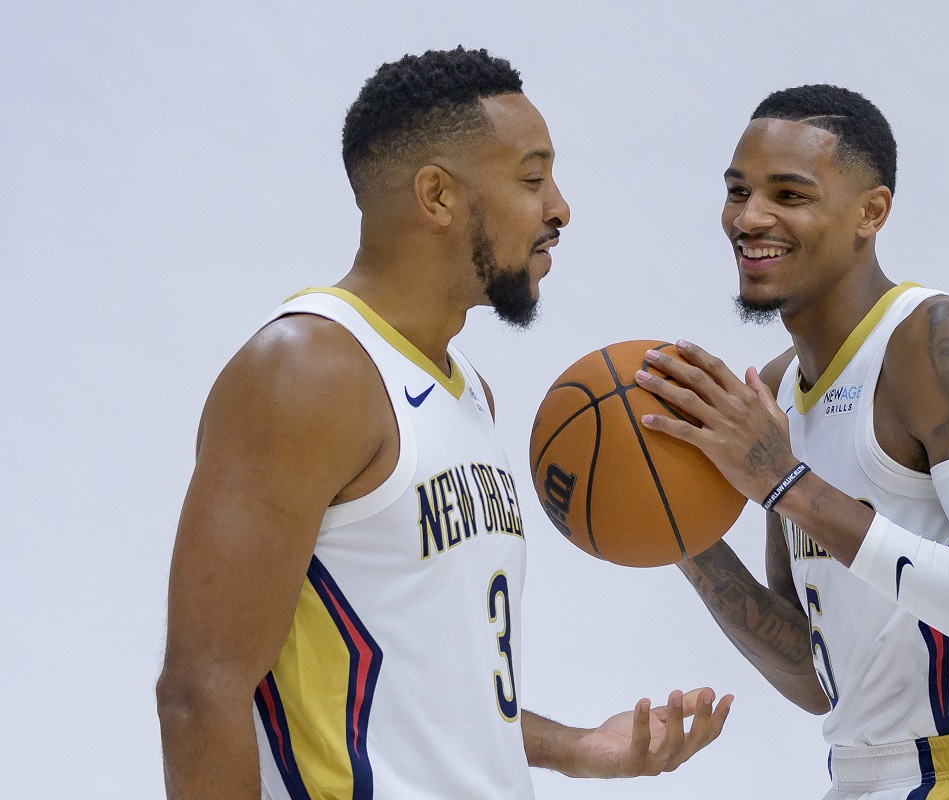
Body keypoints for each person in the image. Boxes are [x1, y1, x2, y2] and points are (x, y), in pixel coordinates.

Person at [155, 47, 732, 800]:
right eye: (532, 179)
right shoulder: (305, 374)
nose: (559, 208)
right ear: (436, 196)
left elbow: (424, 694)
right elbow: (200, 695)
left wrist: (576, 747)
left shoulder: (468, 394)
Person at [634, 85, 949, 799]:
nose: (750, 218)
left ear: (872, 212)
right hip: (858, 777)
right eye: (737, 191)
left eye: (789, 194)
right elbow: (814, 677)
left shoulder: (941, 345)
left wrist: (789, 486)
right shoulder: (775, 390)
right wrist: (675, 523)